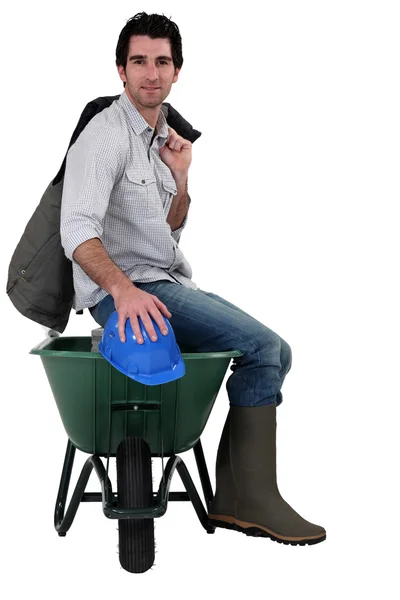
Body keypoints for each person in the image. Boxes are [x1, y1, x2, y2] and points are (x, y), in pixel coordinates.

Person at [60, 11, 326, 546]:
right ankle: (250, 499)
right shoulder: (105, 134)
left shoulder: (165, 139)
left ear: (177, 70)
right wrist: (122, 289)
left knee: (278, 353)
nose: (151, 73)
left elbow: (168, 235)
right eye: (139, 61)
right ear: (121, 69)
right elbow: (76, 230)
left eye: (162, 62)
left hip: (165, 283)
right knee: (265, 348)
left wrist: (180, 182)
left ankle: (240, 493)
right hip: (128, 292)